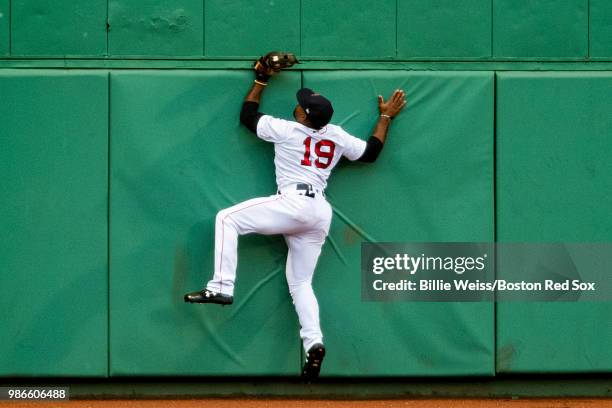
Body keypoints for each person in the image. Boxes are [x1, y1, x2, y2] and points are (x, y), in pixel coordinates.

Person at [185, 64, 407, 380]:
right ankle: (314, 343)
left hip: (292, 204)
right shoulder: (337, 135)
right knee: (301, 283)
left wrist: (261, 78)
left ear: (303, 116)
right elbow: (371, 152)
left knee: (227, 219)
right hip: (319, 213)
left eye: (301, 106)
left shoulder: (286, 130)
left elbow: (248, 115)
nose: (297, 105)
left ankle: (221, 286)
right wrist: (385, 118)